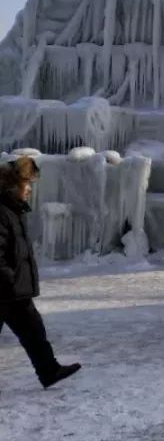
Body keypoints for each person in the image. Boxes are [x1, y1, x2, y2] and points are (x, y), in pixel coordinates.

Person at [0, 157, 81, 394]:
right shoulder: (3, 212)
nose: (30, 189)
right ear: (15, 185)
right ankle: (48, 371)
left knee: (34, 331)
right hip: (7, 290)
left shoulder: (12, 211)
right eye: (28, 184)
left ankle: (49, 371)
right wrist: (9, 279)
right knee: (33, 331)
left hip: (10, 289)